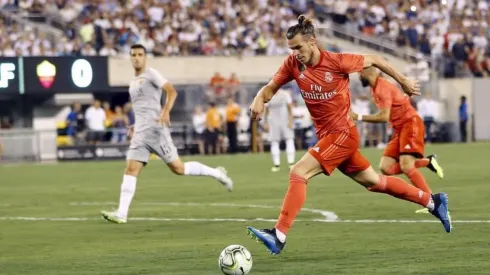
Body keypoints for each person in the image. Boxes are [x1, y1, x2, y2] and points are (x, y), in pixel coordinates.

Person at [246, 15, 452, 255]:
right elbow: (270, 87)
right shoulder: (292, 64)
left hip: (342, 134)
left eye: (299, 47)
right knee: (375, 182)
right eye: (291, 49)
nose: (295, 53)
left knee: (298, 172)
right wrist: (258, 99)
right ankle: (433, 201)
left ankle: (278, 234)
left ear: (312, 41)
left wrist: (403, 80)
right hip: (330, 137)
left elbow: (375, 59)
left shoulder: (337, 61)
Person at [101, 44, 233, 224]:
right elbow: (143, 109)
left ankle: (216, 173)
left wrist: (166, 111)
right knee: (131, 169)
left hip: (157, 131)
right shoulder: (133, 82)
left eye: (140, 54)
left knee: (178, 168)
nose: (136, 58)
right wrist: (134, 124)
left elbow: (172, 91)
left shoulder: (151, 74)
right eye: (133, 55)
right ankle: (122, 213)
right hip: (140, 133)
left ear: (145, 57)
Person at [350, 67, 444, 214]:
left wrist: (358, 117)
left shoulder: (382, 88)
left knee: (406, 166)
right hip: (399, 128)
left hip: (410, 123)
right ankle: (428, 162)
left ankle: (432, 201)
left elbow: (384, 116)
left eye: (359, 73)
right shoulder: (375, 88)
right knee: (385, 168)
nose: (358, 76)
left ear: (367, 72)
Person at [264, 89, 296, 171]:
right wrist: (266, 122)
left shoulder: (285, 94)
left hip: (285, 121)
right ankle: (276, 165)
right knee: (274, 142)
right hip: (274, 122)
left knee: (289, 140)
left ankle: (291, 163)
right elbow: (266, 111)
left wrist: (291, 120)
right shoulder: (268, 95)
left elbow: (290, 108)